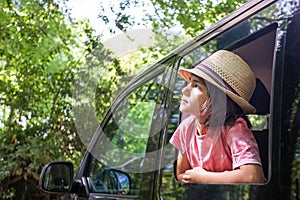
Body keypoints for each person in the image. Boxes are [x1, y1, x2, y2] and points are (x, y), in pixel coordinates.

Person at [170, 50, 266, 184]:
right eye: (189, 83)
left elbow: (253, 176)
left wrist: (203, 178)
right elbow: (181, 175)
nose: (184, 90)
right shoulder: (186, 128)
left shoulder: (234, 129)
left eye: (196, 85)